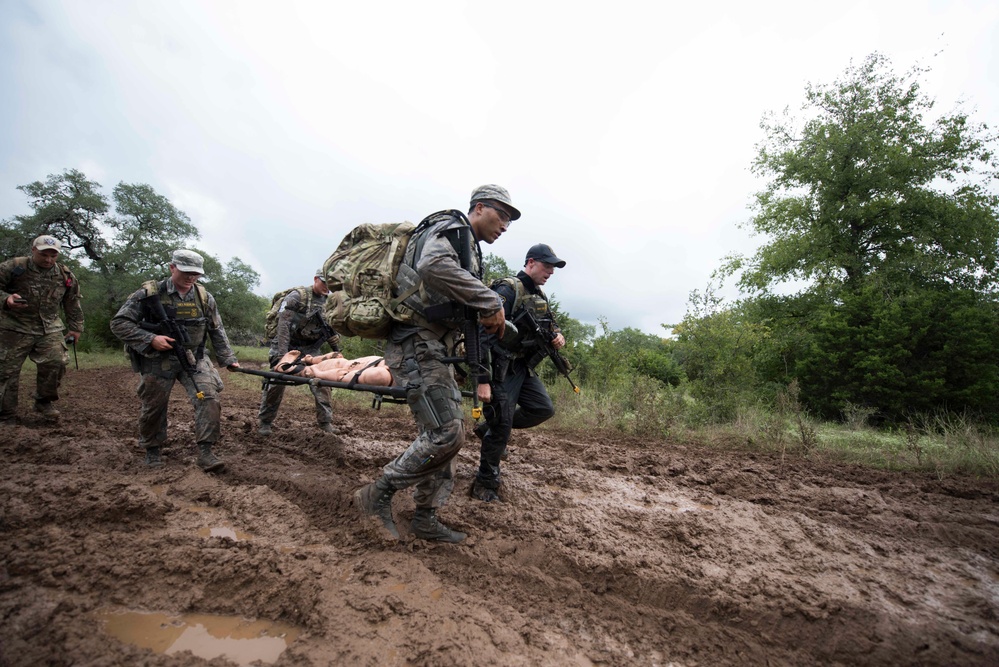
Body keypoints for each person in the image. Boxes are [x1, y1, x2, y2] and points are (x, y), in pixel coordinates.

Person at [354, 184, 518, 543]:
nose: (505, 225)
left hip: (435, 346)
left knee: (449, 432)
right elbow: (432, 264)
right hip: (416, 342)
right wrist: (490, 300)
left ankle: (426, 516)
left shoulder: (468, 247)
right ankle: (377, 494)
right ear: (478, 207)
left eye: (509, 220)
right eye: (501, 215)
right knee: (446, 432)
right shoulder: (451, 226)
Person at [110, 249, 240, 472]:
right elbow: (119, 323)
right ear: (172, 268)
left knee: (208, 397)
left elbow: (217, 330)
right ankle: (152, 450)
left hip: (194, 358)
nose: (191, 277)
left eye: (196, 274)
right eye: (186, 272)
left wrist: (228, 358)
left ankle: (206, 452)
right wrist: (151, 339)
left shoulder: (204, 297)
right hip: (157, 359)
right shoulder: (149, 294)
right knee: (154, 405)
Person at [470, 243, 567, 502]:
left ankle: (489, 425)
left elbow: (553, 325)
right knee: (501, 426)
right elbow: (482, 332)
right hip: (500, 367)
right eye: (547, 266)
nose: (551, 272)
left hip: (523, 367)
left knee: (542, 409)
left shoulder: (540, 296)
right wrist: (482, 378)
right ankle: (485, 485)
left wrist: (558, 336)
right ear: (531, 262)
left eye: (553, 268)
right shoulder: (508, 288)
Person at [0, 235, 84, 423]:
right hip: (13, 326)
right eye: (43, 254)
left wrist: (76, 328)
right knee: (6, 371)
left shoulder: (65, 275)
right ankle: (6, 413)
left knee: (57, 361)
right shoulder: (13, 267)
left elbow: (72, 302)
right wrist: (6, 299)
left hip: (49, 326)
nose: (48, 260)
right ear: (33, 250)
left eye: (53, 256)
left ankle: (43, 401)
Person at [258, 270, 342, 436]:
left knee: (322, 381)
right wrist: (283, 356)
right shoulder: (297, 297)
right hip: (286, 345)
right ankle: (265, 421)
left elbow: (331, 330)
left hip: (311, 348)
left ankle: (325, 422)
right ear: (316, 279)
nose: (327, 288)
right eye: (324, 283)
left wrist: (337, 352)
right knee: (277, 381)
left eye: (330, 285)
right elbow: (283, 326)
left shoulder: (330, 302)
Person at [273, 350, 392, 386]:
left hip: (350, 369)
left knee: (310, 371)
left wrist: (318, 373)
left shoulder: (380, 376)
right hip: (363, 363)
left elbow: (343, 376)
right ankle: (308, 359)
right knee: (337, 357)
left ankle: (285, 367)